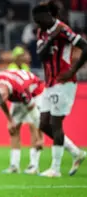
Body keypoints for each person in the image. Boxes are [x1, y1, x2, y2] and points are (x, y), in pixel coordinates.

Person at [32, 2, 87, 177]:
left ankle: (55, 169)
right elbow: (40, 55)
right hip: (49, 83)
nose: (37, 23)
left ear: (48, 15)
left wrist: (73, 69)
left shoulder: (63, 29)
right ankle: (76, 153)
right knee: (43, 124)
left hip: (64, 82)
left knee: (56, 124)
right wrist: (50, 39)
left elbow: (85, 46)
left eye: (38, 19)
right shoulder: (43, 32)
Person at [0, 70, 44, 174]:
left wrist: (41, 137)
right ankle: (14, 165)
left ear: (5, 95)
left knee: (33, 127)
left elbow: (36, 117)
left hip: (34, 93)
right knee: (13, 129)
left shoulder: (21, 90)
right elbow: (1, 100)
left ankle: (34, 165)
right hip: (16, 94)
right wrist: (9, 120)